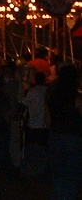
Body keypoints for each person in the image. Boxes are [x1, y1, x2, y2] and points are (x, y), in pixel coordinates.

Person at [45, 63, 82, 199]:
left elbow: (47, 118)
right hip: (73, 136)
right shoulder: (76, 97)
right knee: (72, 173)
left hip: (56, 135)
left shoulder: (53, 96)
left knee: (58, 173)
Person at [22, 71, 48, 149]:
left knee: (34, 148)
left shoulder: (32, 91)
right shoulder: (48, 90)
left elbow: (24, 104)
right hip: (46, 124)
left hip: (34, 124)